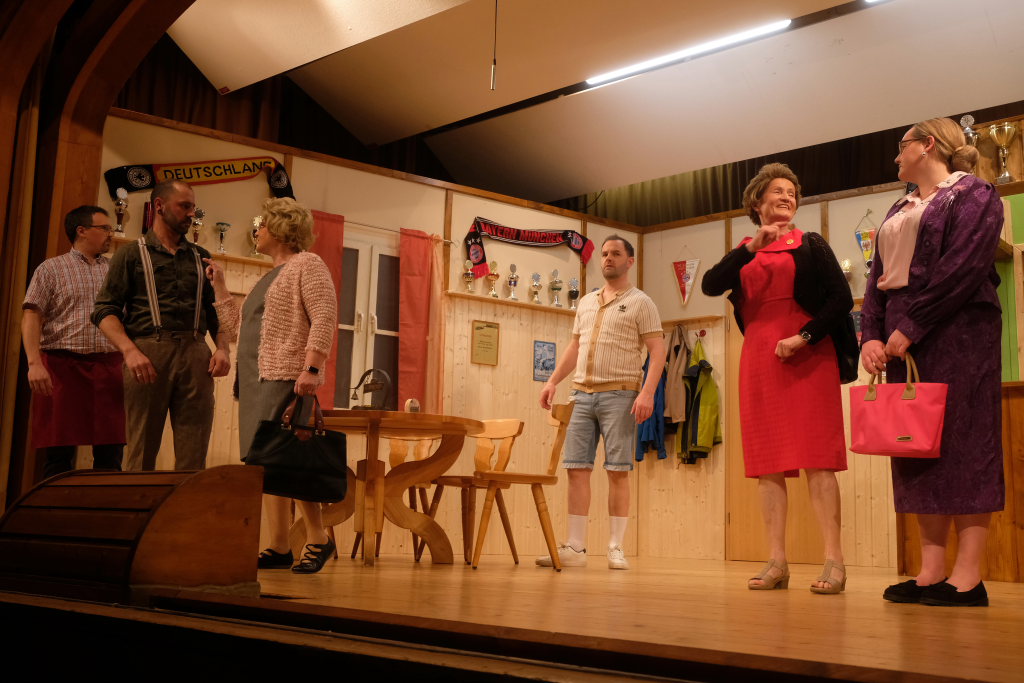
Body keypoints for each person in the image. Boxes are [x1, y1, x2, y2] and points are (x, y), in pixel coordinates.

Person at [861, 118, 1004, 607]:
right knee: (915, 444)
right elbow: (877, 277)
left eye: (901, 146)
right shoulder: (899, 206)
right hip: (902, 337)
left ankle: (968, 577)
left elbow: (961, 268)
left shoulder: (974, 194)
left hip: (958, 331)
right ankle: (931, 571)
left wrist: (911, 325)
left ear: (926, 145)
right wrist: (870, 335)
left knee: (966, 444)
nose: (895, 156)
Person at [702, 163, 856, 593]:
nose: (787, 197)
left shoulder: (811, 243)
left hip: (810, 357)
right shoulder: (744, 252)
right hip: (760, 360)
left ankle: (834, 560)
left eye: (792, 192)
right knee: (767, 464)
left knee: (819, 459)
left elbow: (841, 299)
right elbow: (711, 285)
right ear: (757, 202)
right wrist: (751, 248)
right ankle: (777, 561)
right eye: (778, 191)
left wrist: (804, 337)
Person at [206, 197, 338, 574]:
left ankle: (318, 537)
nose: (257, 231)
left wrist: (312, 367)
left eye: (262, 225)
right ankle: (279, 546)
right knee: (265, 465)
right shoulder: (268, 277)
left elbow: (324, 316)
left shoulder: (307, 264)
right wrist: (221, 287)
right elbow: (237, 328)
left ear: (281, 228)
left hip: (287, 379)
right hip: (254, 381)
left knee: (291, 459)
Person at [537, 235, 666, 570]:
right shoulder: (586, 302)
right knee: (576, 468)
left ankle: (615, 547)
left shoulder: (641, 302)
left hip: (620, 394)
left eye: (616, 254)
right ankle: (576, 547)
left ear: (630, 261)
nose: (608, 258)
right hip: (581, 394)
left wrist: (647, 393)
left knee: (617, 471)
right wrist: (552, 381)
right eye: (605, 254)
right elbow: (574, 347)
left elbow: (658, 351)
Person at [92, 180, 231, 471]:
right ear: (159, 206)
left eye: (193, 207)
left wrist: (222, 349)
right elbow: (105, 310)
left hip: (196, 354)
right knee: (141, 452)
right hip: (147, 353)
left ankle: (184, 503)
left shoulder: (201, 256)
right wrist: (129, 351)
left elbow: (215, 312)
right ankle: (138, 503)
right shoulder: (131, 254)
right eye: (184, 206)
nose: (191, 213)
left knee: (194, 454)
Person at [22, 205, 126, 479]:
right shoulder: (51, 269)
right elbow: (31, 316)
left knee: (111, 453)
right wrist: (34, 363)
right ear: (82, 231)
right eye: (105, 228)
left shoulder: (115, 270)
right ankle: (56, 506)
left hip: (109, 366)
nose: (110, 234)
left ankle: (106, 505)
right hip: (61, 367)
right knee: (58, 456)